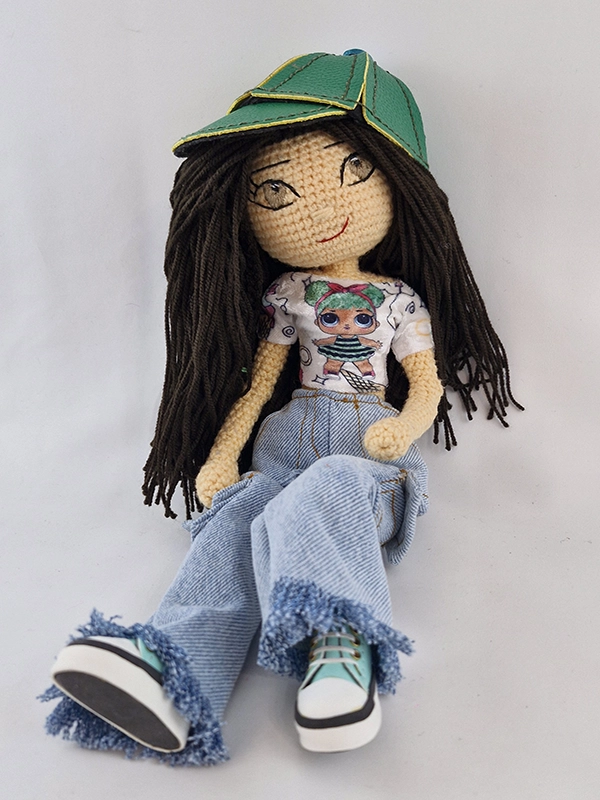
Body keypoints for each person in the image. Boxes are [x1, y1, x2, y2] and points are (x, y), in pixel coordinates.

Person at [42, 51, 520, 766]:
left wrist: (404, 427)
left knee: (328, 486)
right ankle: (175, 673)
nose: (319, 209)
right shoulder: (287, 296)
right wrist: (222, 455)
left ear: (399, 184)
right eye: (275, 192)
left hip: (368, 468)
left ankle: (341, 643)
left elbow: (425, 385)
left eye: (353, 172)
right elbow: (259, 382)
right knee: (244, 510)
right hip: (284, 442)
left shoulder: (399, 300)